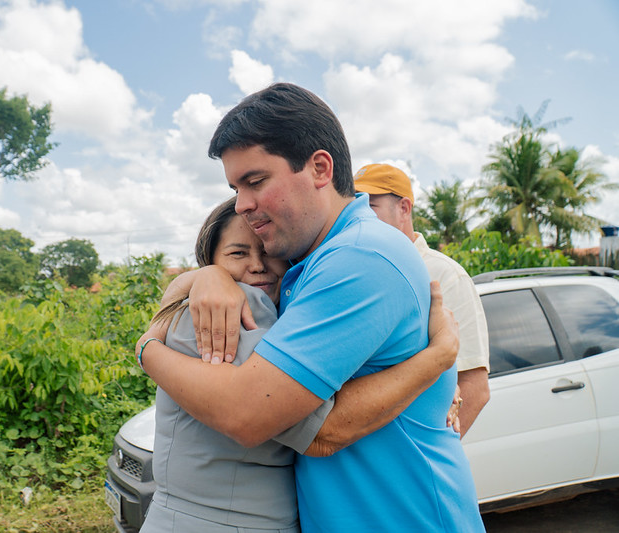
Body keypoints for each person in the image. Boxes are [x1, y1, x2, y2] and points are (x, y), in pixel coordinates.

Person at [137, 83, 484, 531]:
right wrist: (206, 275)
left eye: (255, 181)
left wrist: (147, 347)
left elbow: (283, 422)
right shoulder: (309, 262)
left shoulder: (359, 259)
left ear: (320, 167)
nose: (243, 205)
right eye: (235, 187)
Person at [141, 197, 460, 532]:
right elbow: (319, 430)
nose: (258, 265)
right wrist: (434, 362)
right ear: (211, 260)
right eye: (237, 254)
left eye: (268, 251)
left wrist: (438, 391)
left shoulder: (284, 318)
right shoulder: (226, 314)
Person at [353, 163, 491, 436]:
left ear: (404, 208)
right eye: (356, 206)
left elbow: (475, 385)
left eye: (371, 206)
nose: (360, 216)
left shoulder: (445, 275)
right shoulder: (360, 269)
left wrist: (434, 451)